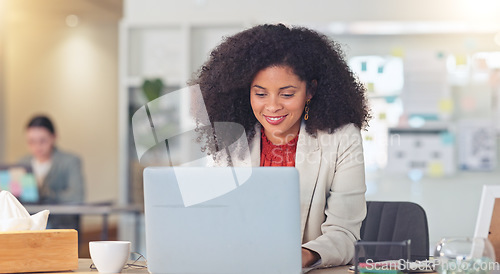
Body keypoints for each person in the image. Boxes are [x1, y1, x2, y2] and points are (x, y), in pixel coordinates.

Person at [190, 24, 371, 268]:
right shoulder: (233, 139)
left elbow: (345, 234)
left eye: (286, 94)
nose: (272, 107)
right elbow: (219, 220)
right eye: (261, 94)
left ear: (310, 90)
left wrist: (301, 256)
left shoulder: (342, 138)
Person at [19, 115, 85, 229]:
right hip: (30, 227)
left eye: (42, 141)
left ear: (54, 137)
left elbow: (76, 196)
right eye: (31, 142)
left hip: (60, 225)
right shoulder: (22, 163)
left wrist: (46, 194)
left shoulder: (70, 161)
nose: (37, 146)